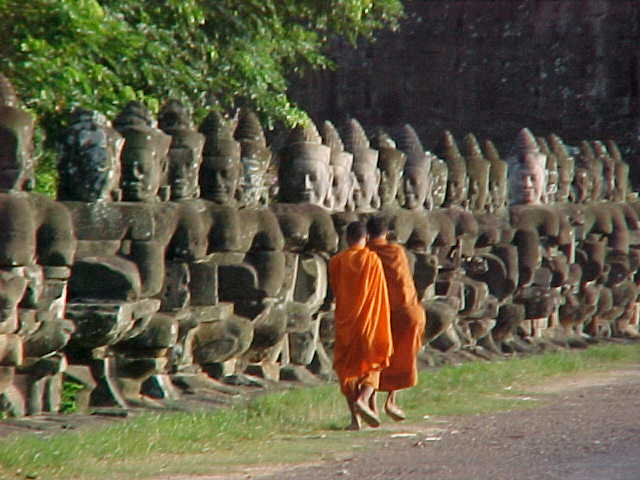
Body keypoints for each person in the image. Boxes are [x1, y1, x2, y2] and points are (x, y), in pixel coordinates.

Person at [329, 221, 392, 430]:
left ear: (346, 239)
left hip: (346, 324)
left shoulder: (337, 261)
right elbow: (380, 294)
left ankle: (355, 420)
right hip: (370, 322)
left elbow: (335, 290)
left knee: (346, 370)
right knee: (372, 365)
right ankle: (363, 400)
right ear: (365, 239)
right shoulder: (373, 260)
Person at [366, 215, 426, 421]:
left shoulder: (366, 254)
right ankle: (391, 401)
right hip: (408, 312)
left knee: (376, 357)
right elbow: (404, 280)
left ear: (367, 234)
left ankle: (371, 403)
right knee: (402, 355)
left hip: (381, 314)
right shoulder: (397, 251)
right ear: (387, 233)